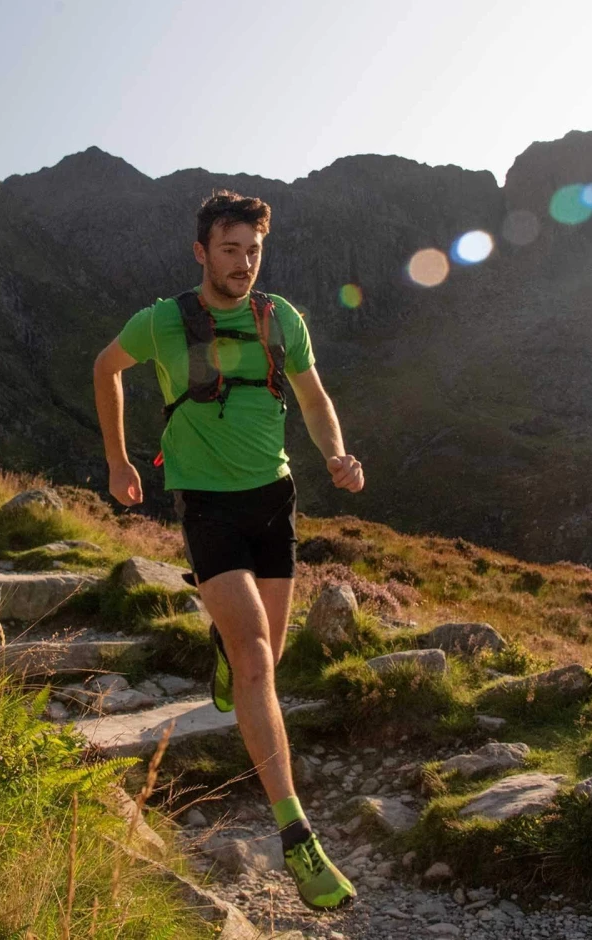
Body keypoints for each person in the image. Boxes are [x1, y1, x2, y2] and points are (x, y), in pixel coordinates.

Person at [92, 189, 364, 911]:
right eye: (230, 250)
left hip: (274, 501)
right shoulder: (162, 321)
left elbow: (313, 398)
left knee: (267, 655)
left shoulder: (281, 319)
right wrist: (118, 461)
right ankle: (297, 833)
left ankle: (224, 647)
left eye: (254, 251)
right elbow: (105, 367)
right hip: (206, 504)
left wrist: (336, 454)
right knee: (255, 661)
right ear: (201, 253)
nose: (243, 264)